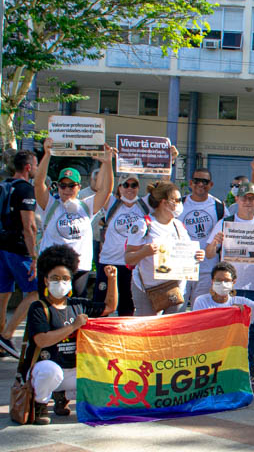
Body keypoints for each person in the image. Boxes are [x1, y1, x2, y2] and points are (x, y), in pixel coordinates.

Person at [19, 245, 118, 424]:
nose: (61, 282)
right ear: (46, 281)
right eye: (55, 278)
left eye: (65, 278)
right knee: (51, 371)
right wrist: (73, 326)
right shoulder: (39, 308)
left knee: (104, 373)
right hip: (44, 369)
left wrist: (112, 279)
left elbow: (109, 307)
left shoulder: (77, 305)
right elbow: (42, 339)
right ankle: (39, 404)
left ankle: (62, 395)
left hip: (72, 370)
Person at [206, 181, 254, 388]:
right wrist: (215, 242)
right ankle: (225, 371)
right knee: (227, 333)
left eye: (252, 198)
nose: (248, 202)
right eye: (244, 198)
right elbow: (208, 253)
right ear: (237, 200)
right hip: (229, 289)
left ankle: (249, 370)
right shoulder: (225, 223)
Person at [34, 139, 114, 297]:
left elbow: (106, 190)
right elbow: (38, 184)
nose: (67, 190)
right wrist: (48, 154)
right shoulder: (51, 204)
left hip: (79, 267)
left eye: (71, 186)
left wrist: (107, 163)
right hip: (52, 266)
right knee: (48, 306)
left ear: (79, 187)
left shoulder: (85, 206)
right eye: (63, 185)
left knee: (75, 307)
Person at [125, 181, 206, 316]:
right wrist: (144, 252)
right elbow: (128, 258)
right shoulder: (144, 225)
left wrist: (197, 255)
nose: (180, 204)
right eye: (177, 200)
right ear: (164, 202)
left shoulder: (179, 225)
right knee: (146, 330)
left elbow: (187, 252)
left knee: (171, 331)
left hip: (175, 288)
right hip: (147, 288)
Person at [0, 150, 39, 358]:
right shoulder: (25, 189)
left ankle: (0, 338)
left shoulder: (4, 185)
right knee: (35, 290)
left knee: (3, 293)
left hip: (1, 247)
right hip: (18, 248)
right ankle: (6, 335)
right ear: (28, 167)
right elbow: (29, 226)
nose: (37, 168)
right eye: (36, 165)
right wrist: (33, 256)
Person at [94, 174, 149, 317]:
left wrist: (171, 161)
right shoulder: (111, 202)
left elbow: (163, 186)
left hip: (131, 264)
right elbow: (102, 188)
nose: (130, 189)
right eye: (126, 185)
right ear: (119, 188)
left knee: (128, 306)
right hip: (109, 261)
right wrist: (106, 161)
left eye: (134, 185)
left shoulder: (144, 205)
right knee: (102, 305)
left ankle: (125, 338)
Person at [180, 168, 227, 303]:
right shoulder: (179, 204)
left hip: (207, 268)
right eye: (197, 181)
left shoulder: (219, 207)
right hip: (182, 266)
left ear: (211, 184)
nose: (200, 184)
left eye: (205, 181)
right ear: (190, 183)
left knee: (201, 309)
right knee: (178, 310)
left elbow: (229, 230)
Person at [192, 263, 254, 328]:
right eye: (218, 280)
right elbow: (198, 325)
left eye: (227, 280)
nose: (222, 283)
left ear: (233, 282)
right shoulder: (201, 301)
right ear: (212, 281)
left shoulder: (241, 302)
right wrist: (231, 312)